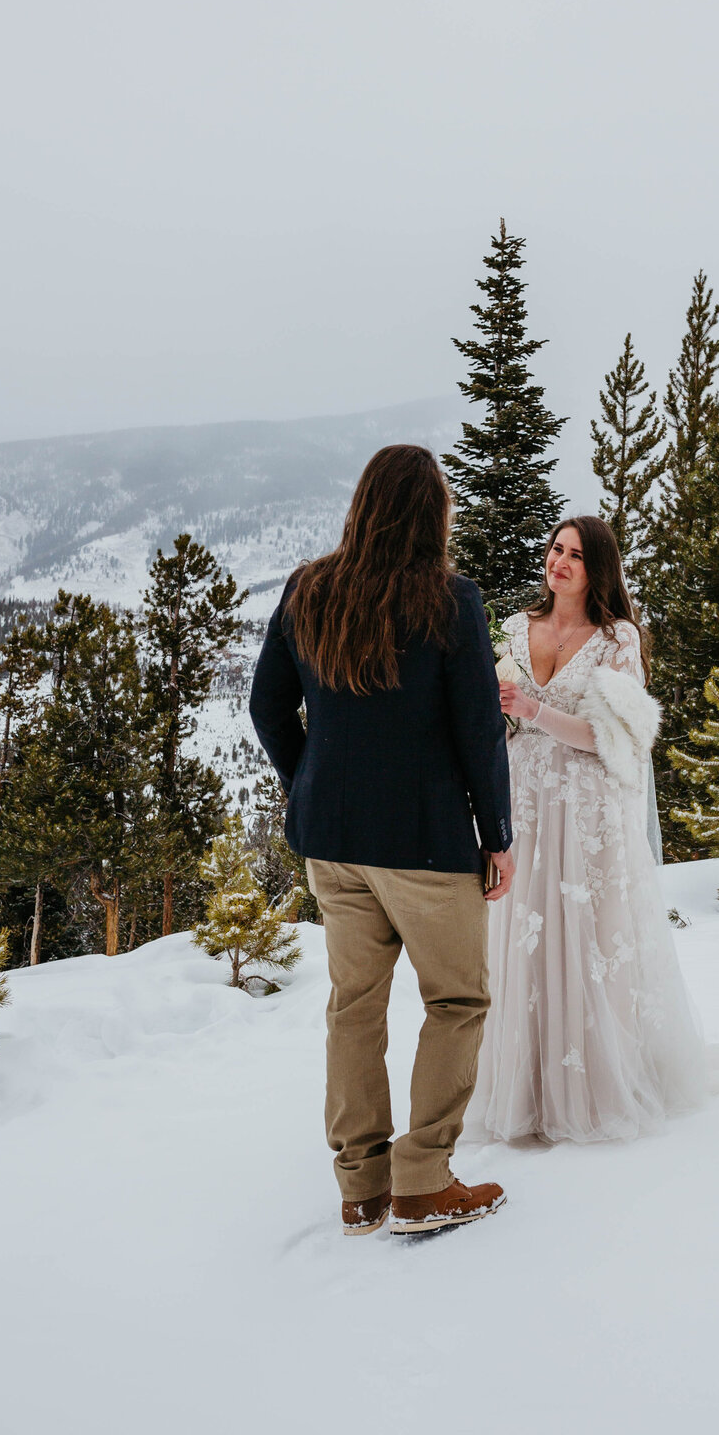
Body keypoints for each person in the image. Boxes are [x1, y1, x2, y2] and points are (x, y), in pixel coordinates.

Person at [249, 444, 516, 1236]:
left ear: (365, 505)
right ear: (432, 516)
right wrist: (495, 834)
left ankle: (361, 1187)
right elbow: (478, 730)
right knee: (458, 999)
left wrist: (308, 785)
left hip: (332, 842)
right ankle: (424, 1182)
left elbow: (268, 710)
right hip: (426, 843)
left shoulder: (310, 591)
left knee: (354, 1008)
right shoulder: (451, 600)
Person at [469, 515, 709, 1144]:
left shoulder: (615, 640)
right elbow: (499, 719)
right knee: (523, 940)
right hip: (524, 802)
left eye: (576, 555)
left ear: (597, 568)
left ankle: (592, 1090)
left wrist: (533, 709)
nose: (560, 562)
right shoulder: (519, 628)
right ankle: (523, 1088)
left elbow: (612, 737)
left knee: (586, 940)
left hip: (587, 810)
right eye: (556, 549)